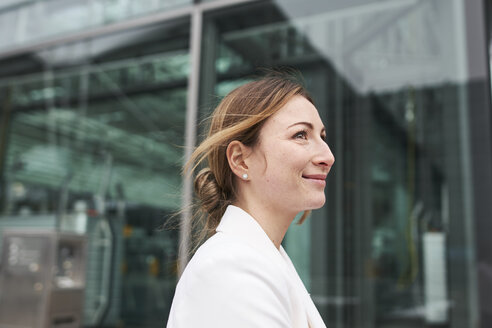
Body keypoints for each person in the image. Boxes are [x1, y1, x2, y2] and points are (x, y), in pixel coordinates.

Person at [167, 73, 335, 328]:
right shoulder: (230, 269)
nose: (328, 156)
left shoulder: (257, 259)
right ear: (240, 159)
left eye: (322, 136)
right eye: (301, 135)